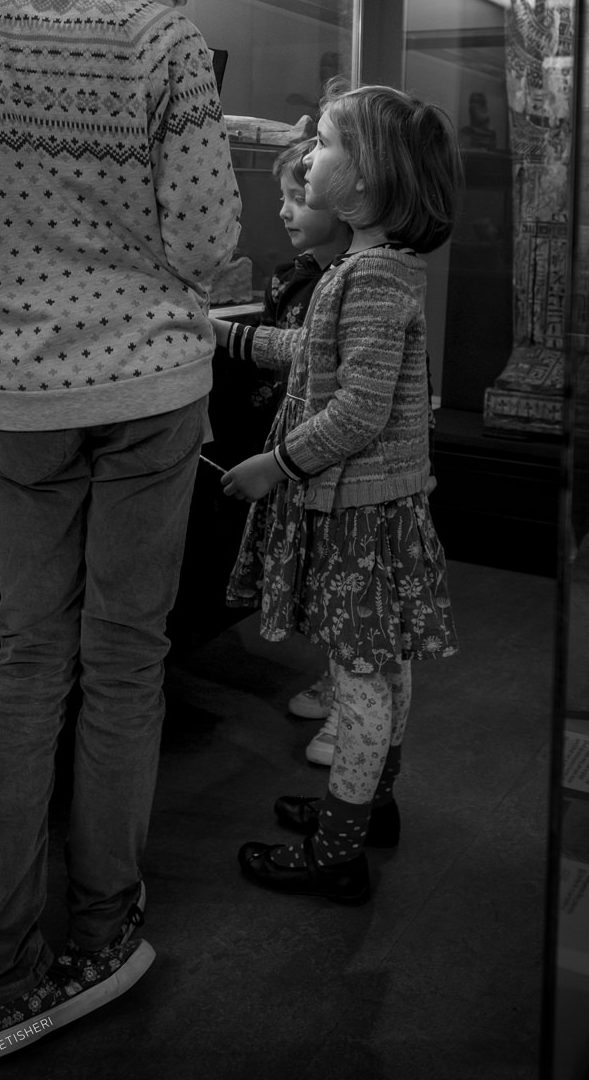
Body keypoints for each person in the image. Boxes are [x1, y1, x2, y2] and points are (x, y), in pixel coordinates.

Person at [0, 0, 242, 1063]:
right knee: (125, 665)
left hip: (16, 400)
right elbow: (206, 241)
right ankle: (103, 931)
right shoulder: (166, 46)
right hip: (150, 390)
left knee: (24, 666)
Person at [211, 83, 461, 906]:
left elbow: (358, 409)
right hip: (373, 510)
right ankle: (367, 805)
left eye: (321, 143)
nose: (308, 155)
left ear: (363, 182)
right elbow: (310, 352)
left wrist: (274, 466)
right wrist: (223, 334)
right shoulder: (371, 270)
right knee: (379, 667)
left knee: (359, 678)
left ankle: (337, 850)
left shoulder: (374, 280)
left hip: (358, 514)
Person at [233, 138, 350, 758]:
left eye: (298, 196)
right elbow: (296, 352)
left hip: (345, 461)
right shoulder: (301, 279)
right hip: (306, 446)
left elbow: (364, 392)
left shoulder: (360, 285)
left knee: (349, 585)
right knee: (322, 571)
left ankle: (352, 708)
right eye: (283, 196)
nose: (285, 211)